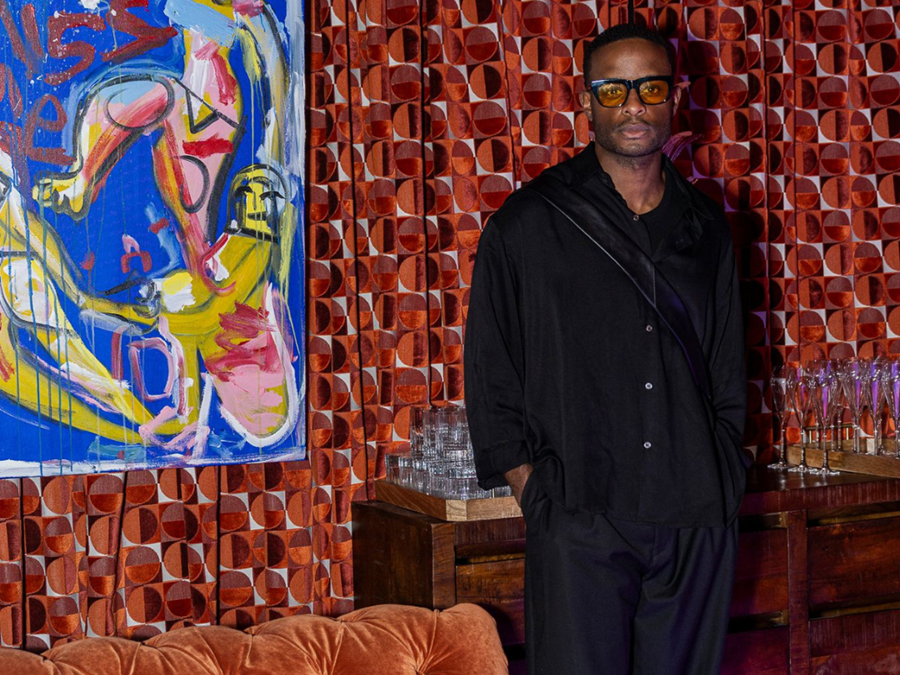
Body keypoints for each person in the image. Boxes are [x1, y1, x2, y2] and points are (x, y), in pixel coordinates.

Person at [464, 22, 749, 675]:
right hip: (582, 515)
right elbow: (491, 373)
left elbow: (729, 369)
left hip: (694, 514)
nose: (632, 106)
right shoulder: (530, 223)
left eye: (648, 87)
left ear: (675, 98)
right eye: (612, 89)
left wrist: (727, 469)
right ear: (586, 101)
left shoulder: (708, 226)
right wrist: (540, 497)